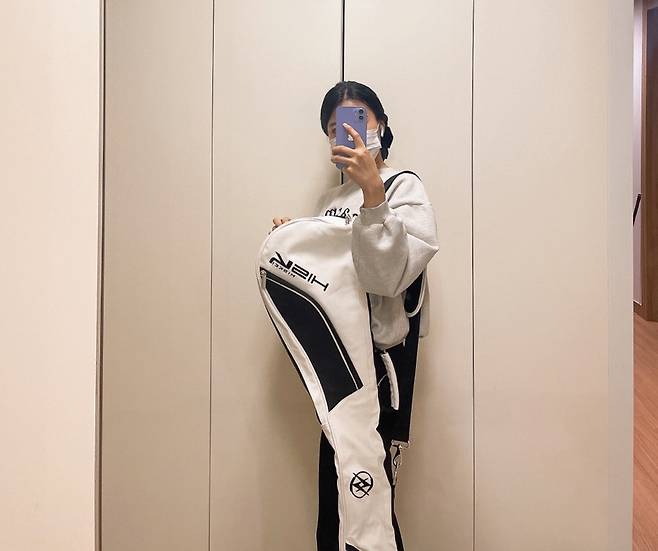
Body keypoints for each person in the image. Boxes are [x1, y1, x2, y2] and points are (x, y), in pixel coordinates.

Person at [271, 80, 439, 551]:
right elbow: (326, 284)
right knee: (338, 500)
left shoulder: (403, 187)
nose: (345, 131)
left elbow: (387, 279)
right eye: (333, 127)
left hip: (379, 374)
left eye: (358, 118)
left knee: (370, 504)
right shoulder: (329, 203)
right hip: (338, 368)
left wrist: (372, 192)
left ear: (381, 125)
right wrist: (293, 241)